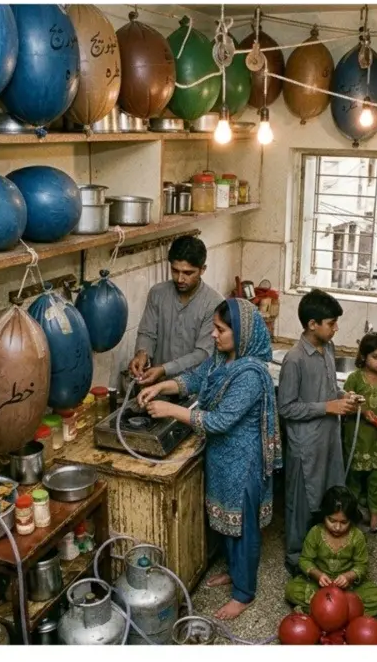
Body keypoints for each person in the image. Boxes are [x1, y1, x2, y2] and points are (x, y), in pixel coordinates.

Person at [137, 298, 279, 621]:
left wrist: (173, 410)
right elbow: (195, 379)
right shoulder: (222, 358)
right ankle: (234, 572)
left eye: (220, 330)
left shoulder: (251, 375)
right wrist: (160, 386)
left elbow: (219, 421)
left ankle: (244, 593)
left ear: (241, 334)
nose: (214, 336)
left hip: (243, 463)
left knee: (241, 526)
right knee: (227, 523)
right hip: (222, 457)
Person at [278, 289, 360, 575]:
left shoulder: (329, 349)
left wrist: (343, 397)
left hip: (328, 441)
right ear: (312, 324)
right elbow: (287, 408)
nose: (336, 328)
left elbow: (328, 392)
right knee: (301, 507)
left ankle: (322, 556)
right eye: (331, 323)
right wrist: (328, 406)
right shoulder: (295, 359)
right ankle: (296, 561)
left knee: (328, 499)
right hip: (305, 446)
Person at [129, 236, 223, 387]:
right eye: (175, 271)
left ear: (202, 270)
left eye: (188, 273)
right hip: (157, 386)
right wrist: (142, 353)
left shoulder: (214, 303)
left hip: (194, 389)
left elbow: (203, 353)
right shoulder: (157, 293)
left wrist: (164, 369)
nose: (180, 279)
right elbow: (147, 333)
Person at [285, 486, 377, 618]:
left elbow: (362, 565)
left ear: (351, 519)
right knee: (292, 590)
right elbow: (305, 560)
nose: (337, 527)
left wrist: (349, 576)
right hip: (320, 586)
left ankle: (327, 613)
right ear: (324, 516)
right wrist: (318, 575)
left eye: (344, 522)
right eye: (332, 520)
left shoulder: (357, 536)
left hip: (348, 589)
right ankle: (338, 613)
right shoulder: (316, 532)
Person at [342, 332, 377, 532]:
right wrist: (363, 411)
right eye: (376, 356)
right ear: (364, 356)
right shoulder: (355, 378)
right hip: (358, 438)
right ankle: (349, 512)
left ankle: (375, 513)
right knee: (354, 476)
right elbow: (345, 400)